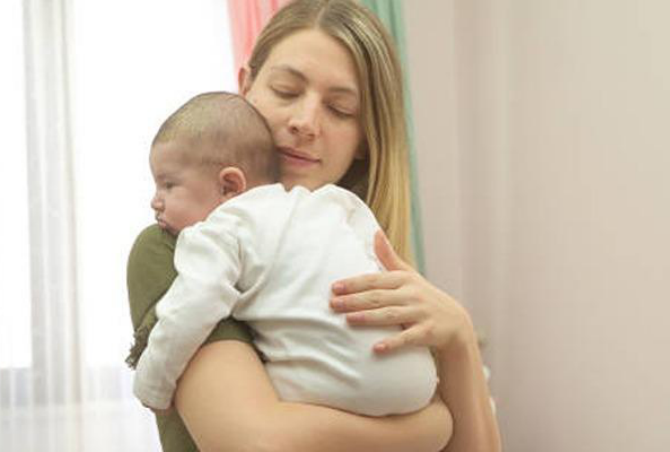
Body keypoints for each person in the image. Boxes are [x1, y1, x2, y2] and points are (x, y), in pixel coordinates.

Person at [126, 0, 502, 450]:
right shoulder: (174, 246)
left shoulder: (372, 260)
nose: (305, 123)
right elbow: (257, 444)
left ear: (365, 139)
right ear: (246, 87)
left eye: (340, 109)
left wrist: (459, 340)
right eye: (286, 90)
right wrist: (432, 426)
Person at [132, 91, 438, 417]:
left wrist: (151, 385)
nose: (155, 201)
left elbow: (192, 306)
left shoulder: (219, 230)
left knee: (255, 393)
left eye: (168, 185)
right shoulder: (326, 202)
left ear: (229, 186)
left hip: (346, 385)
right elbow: (371, 242)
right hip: (418, 380)